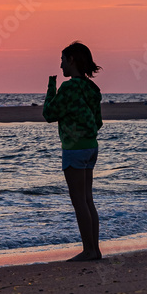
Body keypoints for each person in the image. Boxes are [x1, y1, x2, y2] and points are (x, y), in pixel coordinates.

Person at [43, 41, 103, 262]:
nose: (60, 66)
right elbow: (98, 121)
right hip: (90, 146)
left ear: (71, 60)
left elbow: (49, 113)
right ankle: (94, 249)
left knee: (79, 200)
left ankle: (89, 251)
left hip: (74, 148)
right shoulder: (91, 88)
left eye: (62, 60)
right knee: (88, 199)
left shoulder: (68, 88)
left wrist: (51, 86)